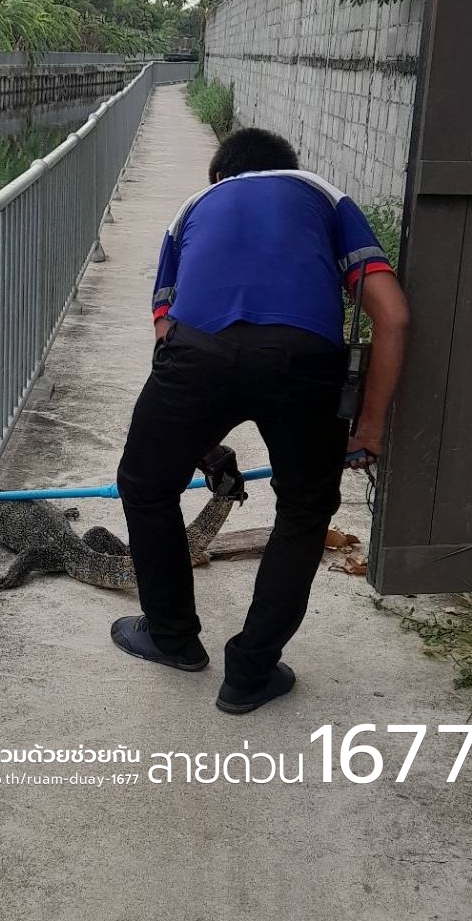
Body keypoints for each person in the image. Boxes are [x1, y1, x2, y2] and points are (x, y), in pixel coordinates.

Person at [111, 127, 409, 714]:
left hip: (198, 355)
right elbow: (393, 317)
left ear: (219, 178)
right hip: (305, 359)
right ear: (289, 167)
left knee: (146, 486)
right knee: (303, 510)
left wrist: (203, 444)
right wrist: (370, 428)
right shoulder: (324, 196)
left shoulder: (193, 208)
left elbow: (168, 333)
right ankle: (250, 674)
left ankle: (172, 639)